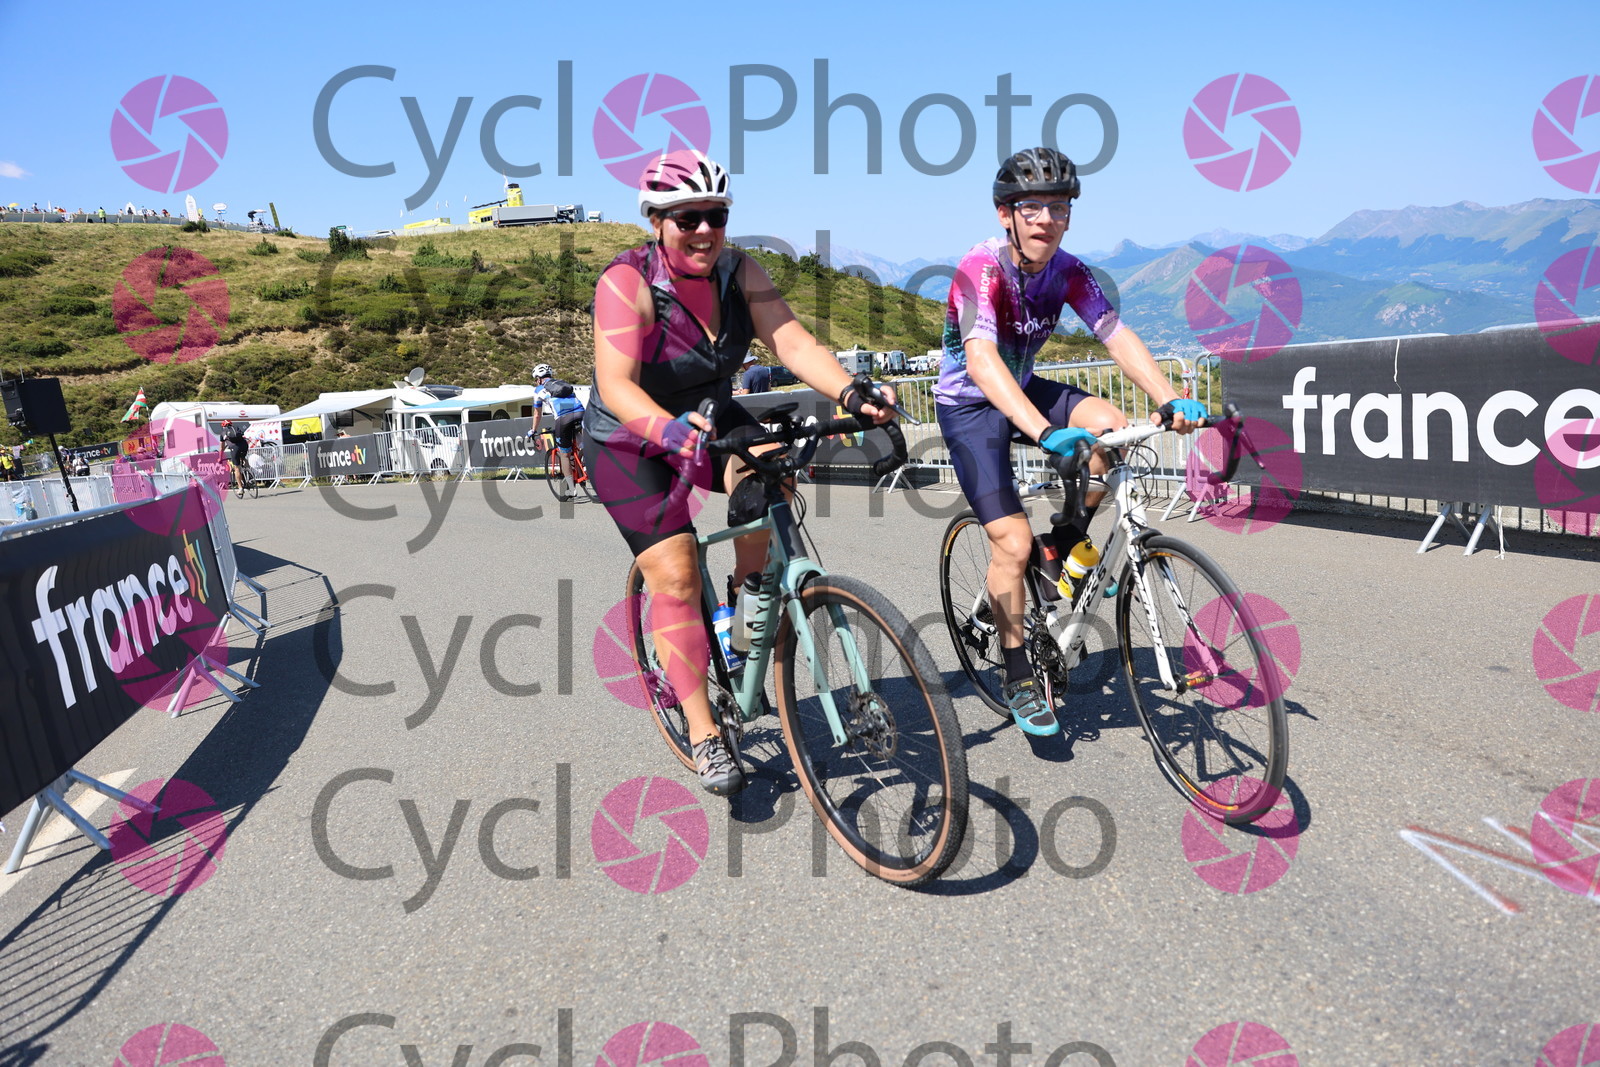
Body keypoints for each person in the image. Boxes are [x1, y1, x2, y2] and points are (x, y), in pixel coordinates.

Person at [584, 150, 896, 795]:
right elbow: (616, 384)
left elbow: (792, 342)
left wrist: (851, 392)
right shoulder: (626, 283)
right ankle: (705, 733)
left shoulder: (739, 271)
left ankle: (745, 598)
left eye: (716, 216)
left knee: (773, 473)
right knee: (675, 574)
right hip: (628, 440)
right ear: (656, 222)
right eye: (687, 218)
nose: (705, 230)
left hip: (707, 416)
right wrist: (666, 431)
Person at [935, 146, 1207, 738]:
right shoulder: (979, 270)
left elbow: (1115, 334)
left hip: (1024, 385)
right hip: (971, 404)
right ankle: (1016, 674)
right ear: (1005, 213)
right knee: (1010, 544)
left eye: (1059, 208)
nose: (1046, 220)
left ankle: (1060, 544)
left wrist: (1168, 398)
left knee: (1111, 428)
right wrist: (1044, 430)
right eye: (1031, 207)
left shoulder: (1070, 270)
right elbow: (981, 361)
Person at [526, 363, 586, 499]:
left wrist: (533, 430)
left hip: (563, 419)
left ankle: (571, 489)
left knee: (565, 454)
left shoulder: (539, 390)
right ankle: (587, 460)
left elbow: (537, 414)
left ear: (539, 379)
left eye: (536, 379)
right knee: (582, 443)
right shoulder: (563, 384)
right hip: (581, 413)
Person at [218, 420, 250, 490]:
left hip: (235, 448)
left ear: (223, 426)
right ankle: (248, 472)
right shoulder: (236, 428)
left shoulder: (223, 433)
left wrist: (220, 458)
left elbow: (221, 448)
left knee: (236, 468)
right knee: (243, 458)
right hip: (244, 445)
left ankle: (240, 488)